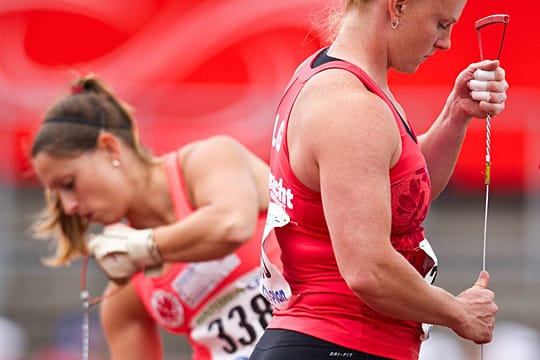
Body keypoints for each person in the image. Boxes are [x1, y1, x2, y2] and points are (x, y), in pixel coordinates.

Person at [251, 0, 508, 359]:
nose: (445, 42)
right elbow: (367, 270)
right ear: (397, 7)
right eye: (440, 24)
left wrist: (456, 113)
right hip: (335, 343)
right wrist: (459, 312)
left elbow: (400, 195)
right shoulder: (353, 107)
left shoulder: (337, 77)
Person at [30, 75, 277, 360]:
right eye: (57, 194)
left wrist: (143, 246)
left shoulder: (208, 161)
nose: (68, 206)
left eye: (69, 183)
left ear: (110, 148)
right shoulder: (123, 295)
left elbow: (231, 225)